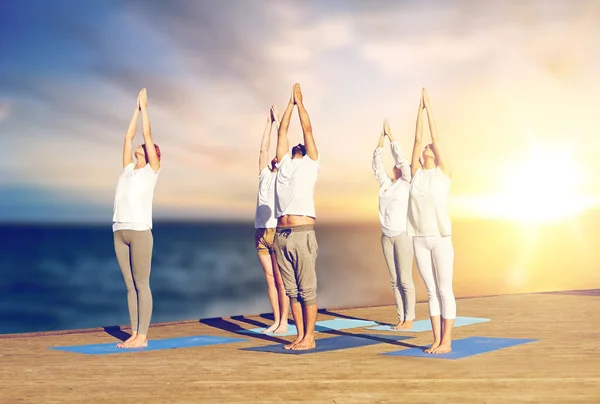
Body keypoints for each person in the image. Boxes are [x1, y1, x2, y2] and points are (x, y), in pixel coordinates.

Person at [112, 88, 161, 348]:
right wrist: (135, 109)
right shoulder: (128, 169)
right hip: (119, 231)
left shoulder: (151, 172)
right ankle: (134, 334)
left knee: (142, 284)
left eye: (146, 148)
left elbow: (146, 134)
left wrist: (146, 109)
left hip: (140, 232)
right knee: (130, 287)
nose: (140, 148)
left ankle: (142, 336)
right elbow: (128, 136)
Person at [408, 88, 455, 354]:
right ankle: (436, 339)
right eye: (424, 148)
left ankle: (446, 341)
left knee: (444, 289)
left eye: (429, 149)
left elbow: (434, 137)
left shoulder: (443, 174)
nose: (426, 147)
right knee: (430, 290)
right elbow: (417, 138)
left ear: (435, 156)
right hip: (418, 238)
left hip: (440, 238)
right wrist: (419, 110)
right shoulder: (416, 175)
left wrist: (430, 107)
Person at [273, 83, 320, 350]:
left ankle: (310, 338)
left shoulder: (311, 163)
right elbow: (282, 131)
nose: (296, 148)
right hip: (281, 234)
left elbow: (308, 130)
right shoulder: (284, 165)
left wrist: (300, 103)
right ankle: (300, 336)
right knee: (291, 291)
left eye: (298, 147)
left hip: (302, 233)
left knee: (307, 289)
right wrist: (288, 105)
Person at [372, 118, 415, 330]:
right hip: (386, 236)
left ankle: (410, 318)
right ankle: (401, 317)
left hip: (402, 235)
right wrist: (380, 139)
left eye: (397, 166)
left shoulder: (406, 182)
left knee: (405, 279)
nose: (395, 167)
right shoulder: (386, 185)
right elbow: (376, 165)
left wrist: (391, 137)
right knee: (394, 279)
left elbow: (402, 160)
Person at [254, 105, 290, 334]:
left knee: (280, 279)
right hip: (259, 230)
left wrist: (279, 124)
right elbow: (263, 150)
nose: (275, 158)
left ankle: (284, 322)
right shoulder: (264, 173)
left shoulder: (284, 176)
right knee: (269, 278)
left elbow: (281, 145)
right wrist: (268, 122)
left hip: (275, 230)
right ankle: (276, 321)